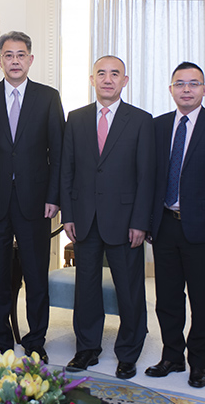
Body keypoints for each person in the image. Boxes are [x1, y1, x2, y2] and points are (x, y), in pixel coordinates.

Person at [0, 30, 64, 363]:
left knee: (36, 274)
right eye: (8, 55)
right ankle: (1, 340)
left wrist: (54, 196)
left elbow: (58, 152)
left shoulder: (48, 97)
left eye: (21, 55)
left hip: (35, 201)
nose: (15, 61)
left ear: (31, 59)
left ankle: (36, 340)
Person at [60, 55, 154, 379]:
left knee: (129, 290)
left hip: (126, 221)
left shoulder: (140, 120)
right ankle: (87, 348)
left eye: (115, 74)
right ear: (92, 79)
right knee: (86, 288)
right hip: (85, 219)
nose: (108, 79)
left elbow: (146, 176)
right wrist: (68, 215)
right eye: (101, 73)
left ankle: (128, 352)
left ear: (124, 81)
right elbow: (67, 170)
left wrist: (140, 221)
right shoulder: (76, 118)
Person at [145, 62, 205, 388]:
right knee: (167, 299)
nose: (186, 89)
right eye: (180, 83)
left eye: (193, 83)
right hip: (165, 225)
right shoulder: (157, 126)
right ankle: (172, 356)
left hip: (202, 229)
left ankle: (199, 363)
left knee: (201, 300)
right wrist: (148, 222)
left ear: (204, 89)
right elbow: (150, 178)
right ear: (171, 89)